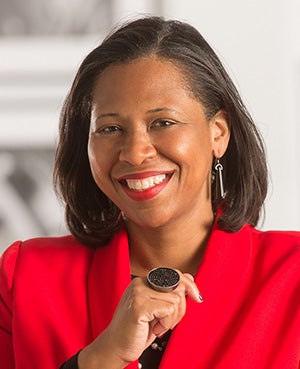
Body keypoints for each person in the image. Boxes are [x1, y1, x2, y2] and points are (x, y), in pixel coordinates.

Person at [0, 16, 299, 369]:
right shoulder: (25, 278)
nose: (134, 152)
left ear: (218, 133)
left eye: (162, 123)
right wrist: (102, 358)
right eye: (110, 128)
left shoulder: (292, 275)